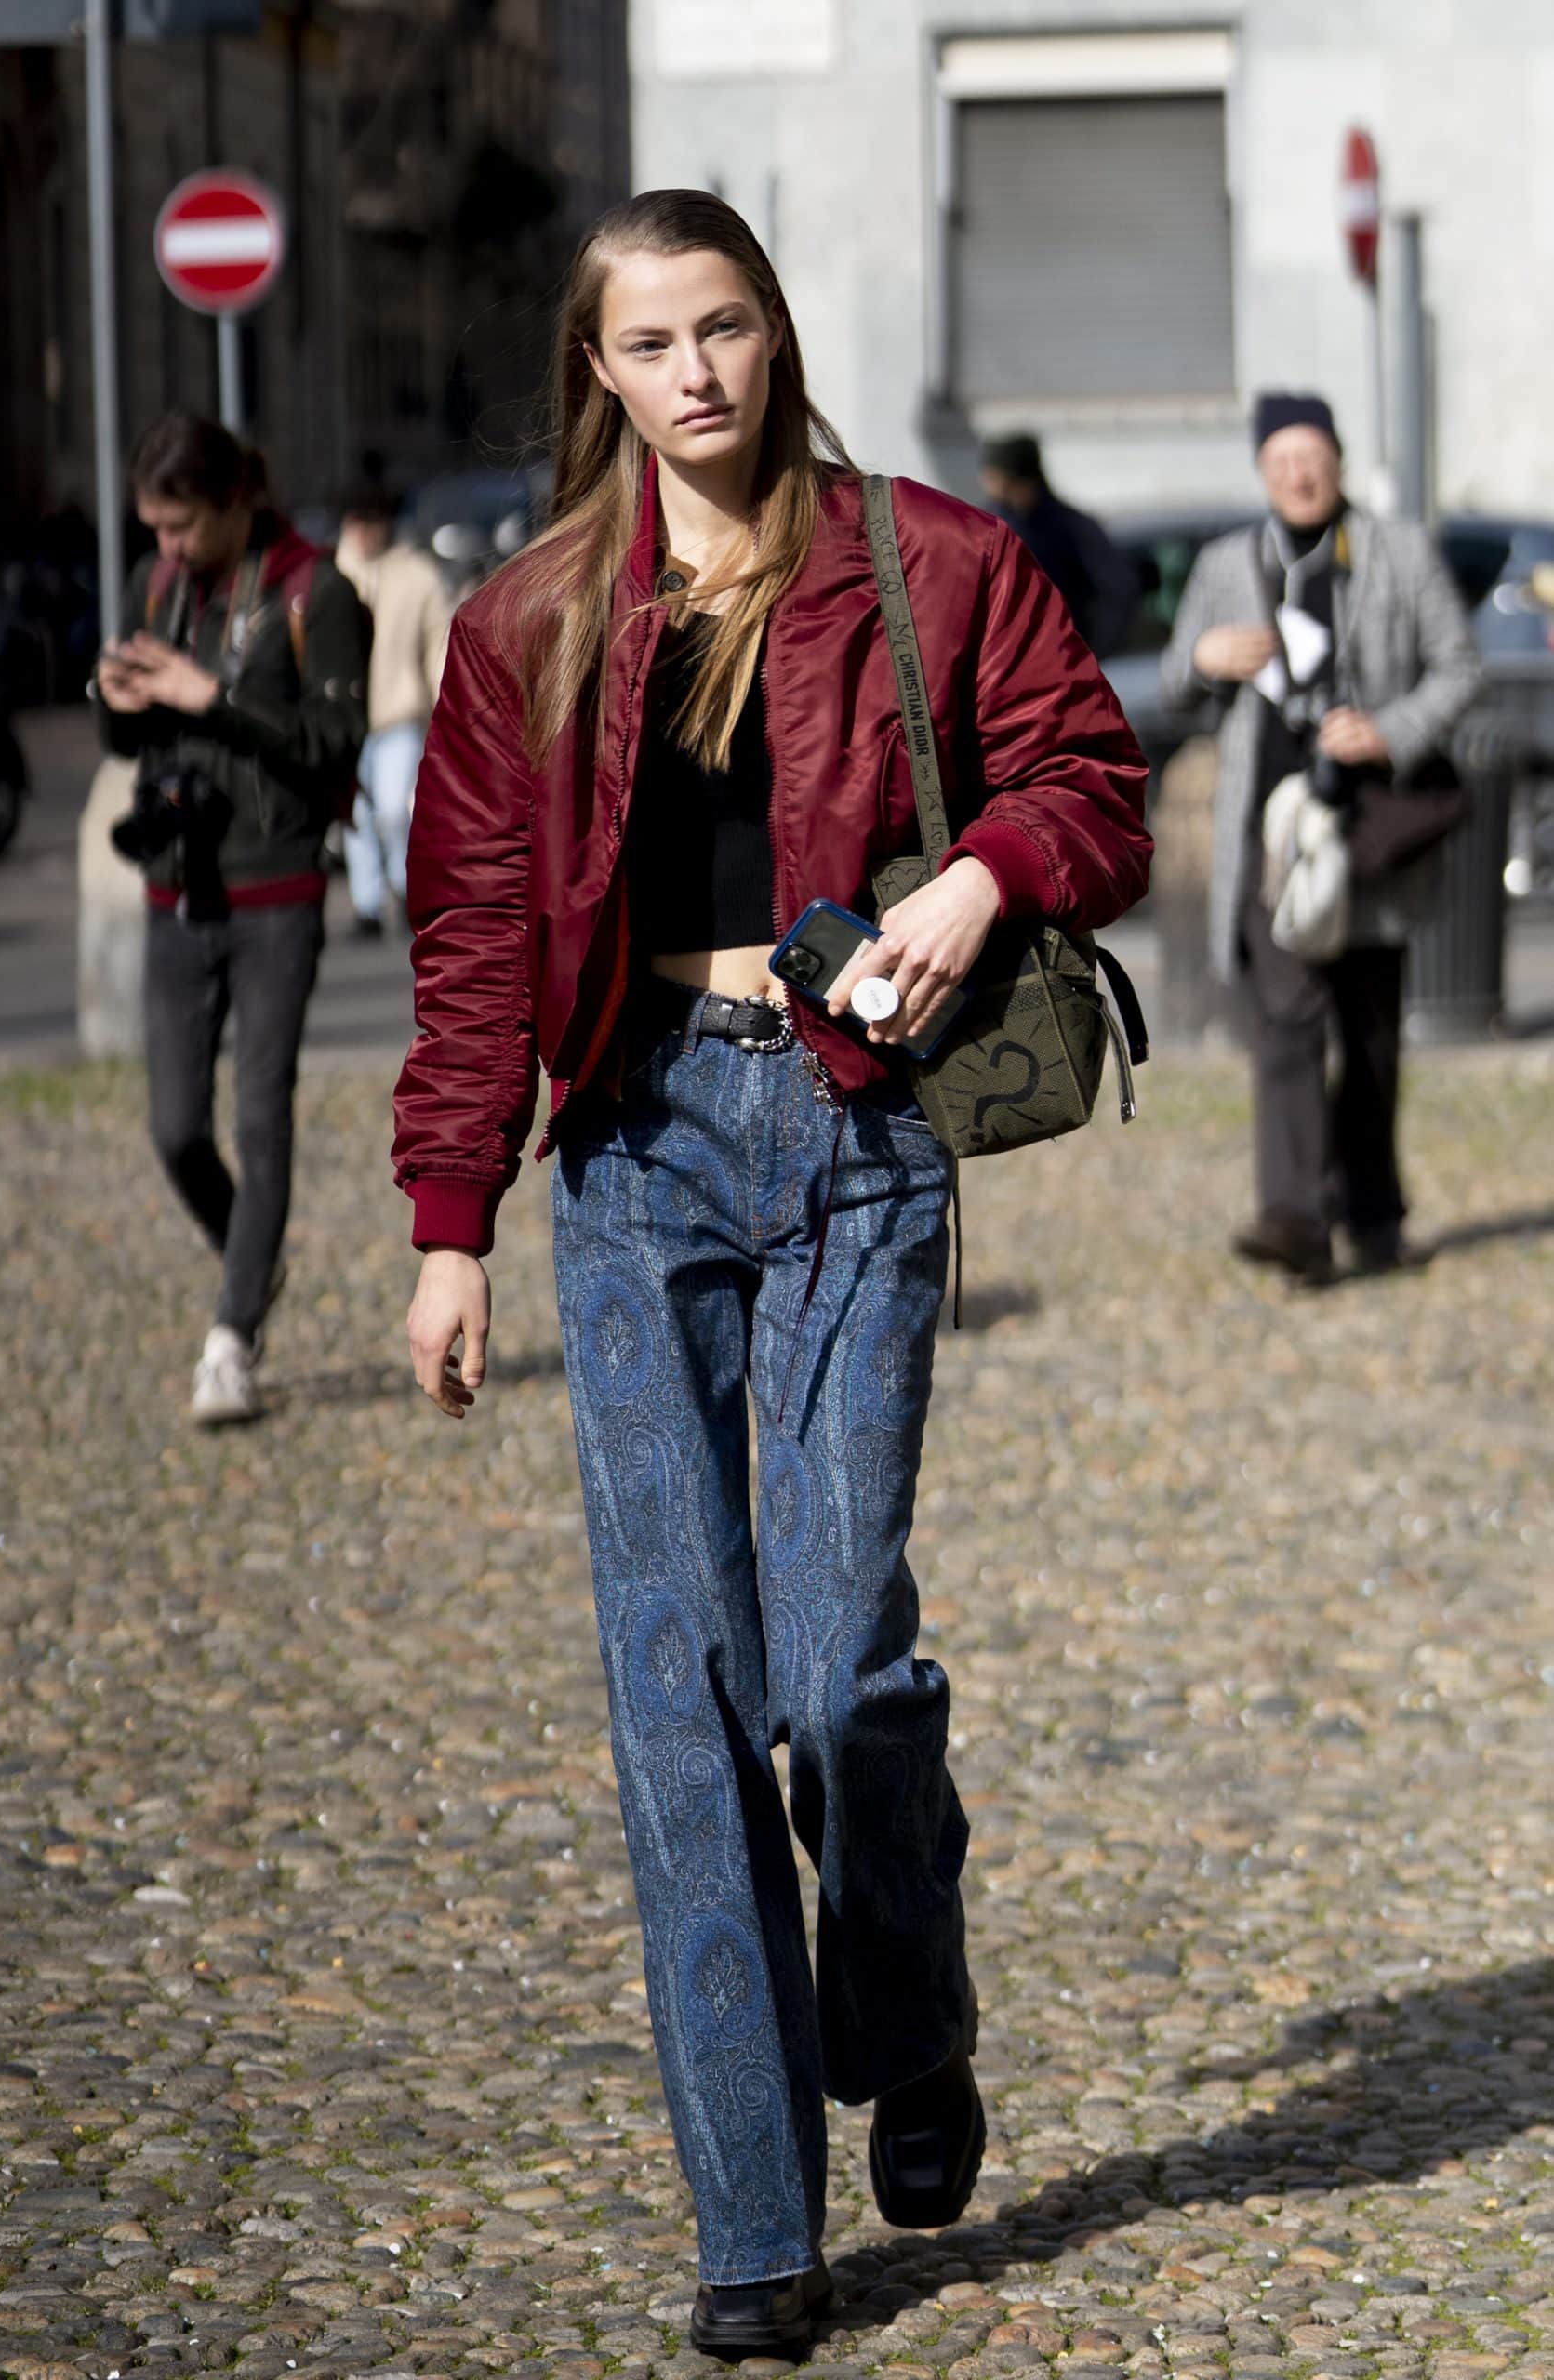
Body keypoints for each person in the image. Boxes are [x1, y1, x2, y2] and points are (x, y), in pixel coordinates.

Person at [392, 191, 1149, 2359]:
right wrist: (448, 1223)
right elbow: (470, 932)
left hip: (854, 1136)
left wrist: (982, 875)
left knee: (832, 1669)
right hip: (631, 1151)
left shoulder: (930, 560)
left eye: (722, 326)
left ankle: (905, 2000)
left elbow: (1092, 782)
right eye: (649, 343)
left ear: (773, 330)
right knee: (679, 1692)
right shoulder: (528, 620)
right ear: (599, 374)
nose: (695, 373)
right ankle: (753, 2226)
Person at [1161, 391, 1482, 1284]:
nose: (1298, 476)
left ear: (1338, 463)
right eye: (1280, 462)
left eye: (1312, 458)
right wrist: (1202, 659)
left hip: (1367, 833)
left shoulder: (1398, 552)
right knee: (1285, 1024)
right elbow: (1173, 682)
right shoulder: (1226, 563)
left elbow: (1460, 669)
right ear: (1261, 471)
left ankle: (1372, 1215)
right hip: (1268, 842)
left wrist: (1387, 731)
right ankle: (1294, 1219)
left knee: (1369, 1037)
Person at [95, 412, 368, 1422]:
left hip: (274, 890)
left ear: (233, 501)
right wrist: (118, 698)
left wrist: (210, 696)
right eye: (154, 530)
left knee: (259, 1117)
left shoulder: (314, 591)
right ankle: (253, 1255)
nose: (167, 547)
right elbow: (124, 742)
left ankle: (231, 1337)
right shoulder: (157, 584)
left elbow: (335, 739)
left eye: (181, 526)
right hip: (177, 884)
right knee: (174, 1129)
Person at [334, 483, 453, 937]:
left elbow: (439, 642)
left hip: (399, 713)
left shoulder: (417, 575)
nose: (363, 533)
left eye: (371, 523)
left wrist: (445, 703)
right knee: (356, 815)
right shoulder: (333, 572)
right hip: (347, 717)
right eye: (356, 523)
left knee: (392, 809)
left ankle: (404, 888)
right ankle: (366, 904)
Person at [978, 431, 1138, 659]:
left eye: (991, 475)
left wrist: (1090, 653)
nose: (984, 482)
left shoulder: (1072, 528)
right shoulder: (986, 526)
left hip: (1060, 659)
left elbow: (1120, 589)